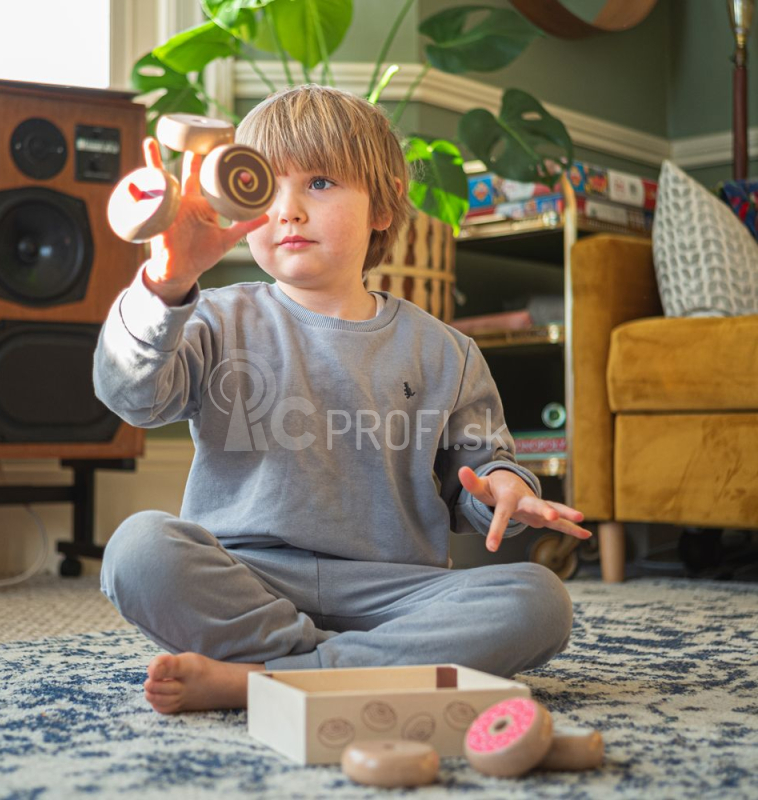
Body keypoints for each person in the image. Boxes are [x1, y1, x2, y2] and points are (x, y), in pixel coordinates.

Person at [94, 85, 592, 715]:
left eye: (321, 183)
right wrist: (164, 285)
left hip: (394, 590)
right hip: (246, 576)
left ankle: (266, 678)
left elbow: (481, 472)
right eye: (267, 187)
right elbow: (129, 395)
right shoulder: (215, 317)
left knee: (538, 601)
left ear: (382, 206)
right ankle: (341, 670)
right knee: (138, 550)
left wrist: (504, 489)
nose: (289, 210)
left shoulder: (447, 351)